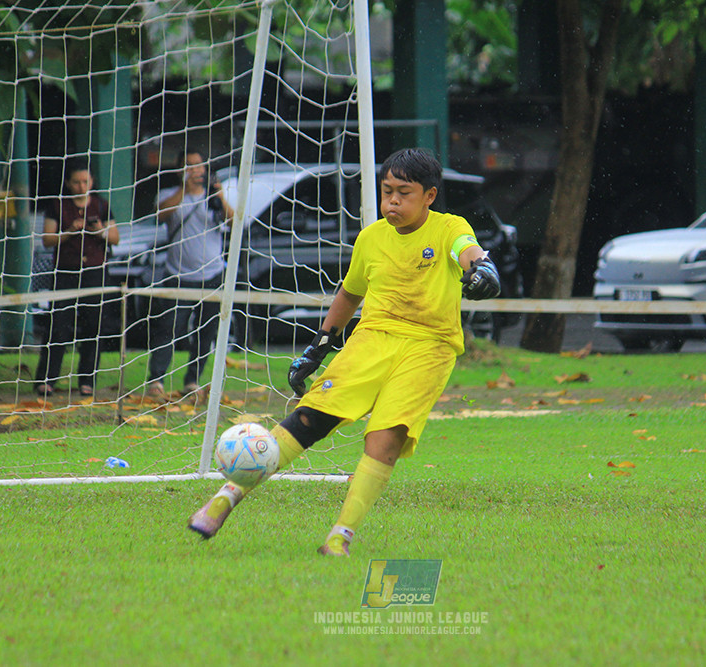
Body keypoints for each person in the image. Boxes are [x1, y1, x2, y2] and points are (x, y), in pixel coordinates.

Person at [187, 148, 502, 555]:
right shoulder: (371, 238)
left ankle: (341, 535)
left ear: (428, 196)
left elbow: (469, 249)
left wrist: (482, 269)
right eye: (387, 191)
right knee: (311, 416)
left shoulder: (448, 228)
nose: (391, 202)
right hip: (371, 340)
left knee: (384, 438)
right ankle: (224, 499)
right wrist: (318, 349)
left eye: (403, 193)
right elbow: (350, 294)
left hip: (430, 348)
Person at [146, 151, 234, 398]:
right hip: (178, 275)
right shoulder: (169, 195)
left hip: (213, 275)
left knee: (206, 330)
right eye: (190, 166)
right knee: (169, 328)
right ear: (180, 171)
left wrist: (220, 197)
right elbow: (159, 215)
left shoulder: (215, 194)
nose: (196, 171)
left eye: (199, 166)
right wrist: (184, 190)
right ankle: (157, 380)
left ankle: (192, 380)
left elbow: (234, 224)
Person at [35, 164, 119, 397]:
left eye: (85, 181)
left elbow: (115, 238)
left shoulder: (102, 205)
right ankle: (46, 379)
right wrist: (70, 230)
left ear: (92, 182)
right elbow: (48, 239)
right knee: (58, 326)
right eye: (76, 182)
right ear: (68, 184)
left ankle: (87, 380)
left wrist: (99, 230)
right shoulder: (57, 206)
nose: (81, 187)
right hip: (65, 272)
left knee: (94, 326)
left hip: (95, 272)